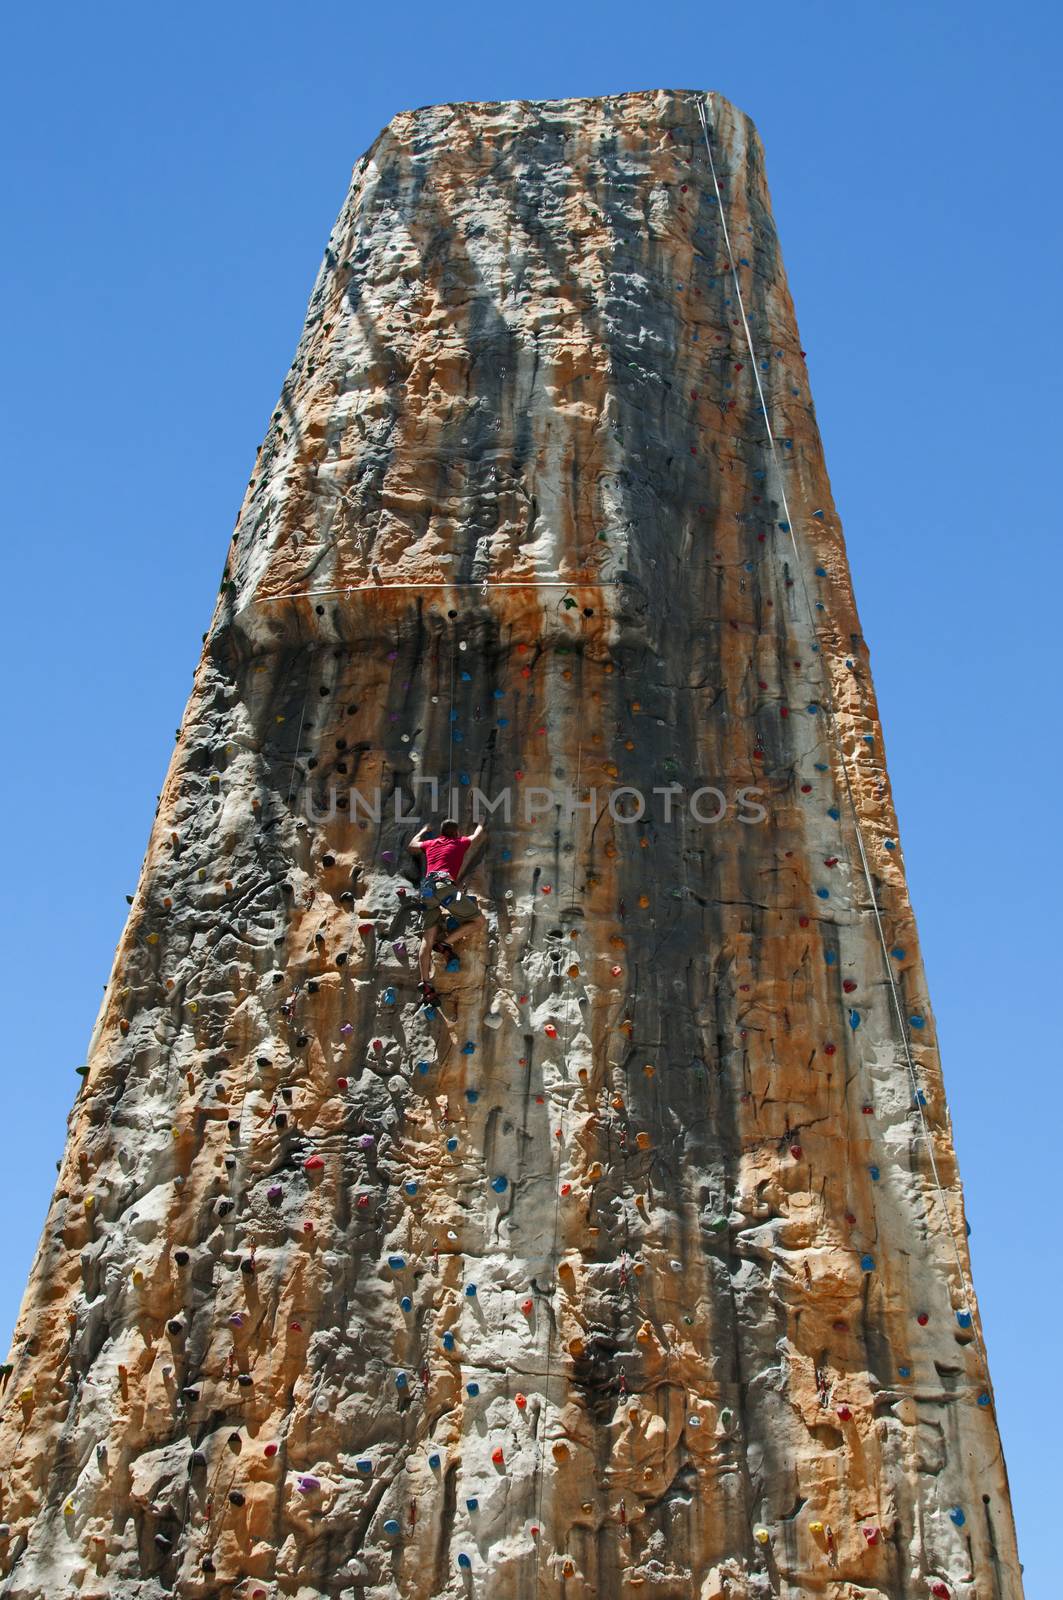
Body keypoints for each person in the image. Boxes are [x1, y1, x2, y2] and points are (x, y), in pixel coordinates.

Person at [407, 818, 485, 1003]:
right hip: (446, 888)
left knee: (427, 936)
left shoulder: (432, 843)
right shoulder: (460, 842)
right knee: (478, 921)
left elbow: (411, 845)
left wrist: (424, 830)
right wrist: (481, 822)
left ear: (441, 833)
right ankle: (445, 943)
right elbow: (477, 836)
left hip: (426, 890)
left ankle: (425, 982)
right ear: (456, 833)